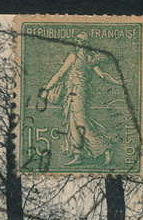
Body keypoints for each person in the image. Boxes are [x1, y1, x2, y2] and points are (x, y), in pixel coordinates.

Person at [40, 31, 123, 166]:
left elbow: (60, 74)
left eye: (78, 41)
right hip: (73, 92)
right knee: (72, 123)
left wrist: (46, 89)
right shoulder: (90, 58)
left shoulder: (74, 57)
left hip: (76, 92)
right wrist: (118, 82)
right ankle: (78, 155)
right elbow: (103, 75)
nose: (77, 43)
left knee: (80, 122)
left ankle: (104, 148)